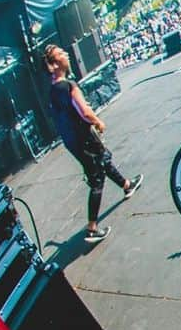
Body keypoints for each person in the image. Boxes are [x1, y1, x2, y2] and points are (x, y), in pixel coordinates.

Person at [43, 44, 143, 243]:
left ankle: (126, 185)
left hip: (72, 140)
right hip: (83, 138)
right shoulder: (69, 85)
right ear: (55, 63)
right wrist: (98, 121)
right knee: (96, 179)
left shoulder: (53, 90)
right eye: (61, 54)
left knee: (103, 160)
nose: (66, 54)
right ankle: (92, 228)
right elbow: (85, 112)